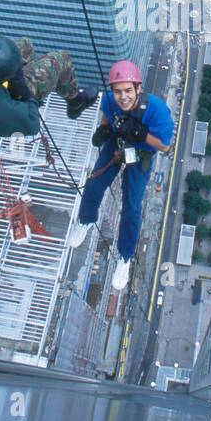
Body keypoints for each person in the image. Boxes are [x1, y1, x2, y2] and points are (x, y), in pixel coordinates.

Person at [68, 60, 173, 291]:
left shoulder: (157, 110)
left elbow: (165, 147)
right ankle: (85, 220)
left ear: (138, 88)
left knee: (132, 207)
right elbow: (108, 113)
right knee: (94, 186)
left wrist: (140, 133)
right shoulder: (108, 100)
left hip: (142, 151)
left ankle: (124, 258)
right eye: (117, 91)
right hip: (118, 143)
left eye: (128, 91)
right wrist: (104, 129)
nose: (123, 97)